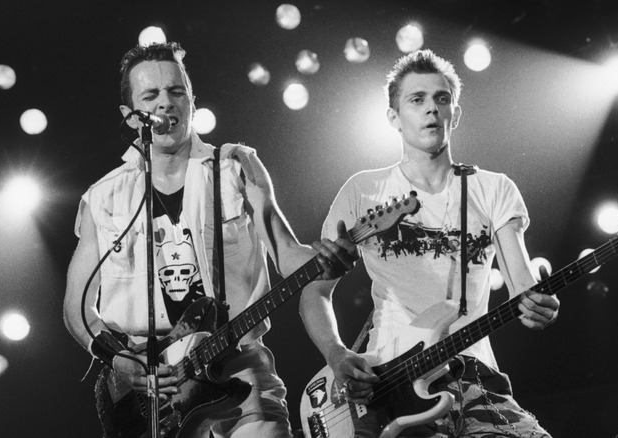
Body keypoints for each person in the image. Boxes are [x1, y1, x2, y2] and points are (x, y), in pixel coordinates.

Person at [63, 42, 357, 438]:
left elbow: (287, 254)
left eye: (176, 91)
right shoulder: (102, 196)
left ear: (191, 100)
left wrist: (326, 260)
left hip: (238, 363)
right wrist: (116, 358)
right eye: (151, 96)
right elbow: (76, 306)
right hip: (153, 384)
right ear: (131, 117)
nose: (166, 104)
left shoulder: (237, 167)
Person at [300, 49, 560, 437]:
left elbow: (523, 287)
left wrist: (538, 306)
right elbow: (315, 292)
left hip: (473, 374)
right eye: (417, 100)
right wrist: (337, 354)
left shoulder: (493, 189)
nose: (431, 110)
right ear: (394, 118)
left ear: (455, 114)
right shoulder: (364, 191)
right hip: (388, 383)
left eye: (441, 99)